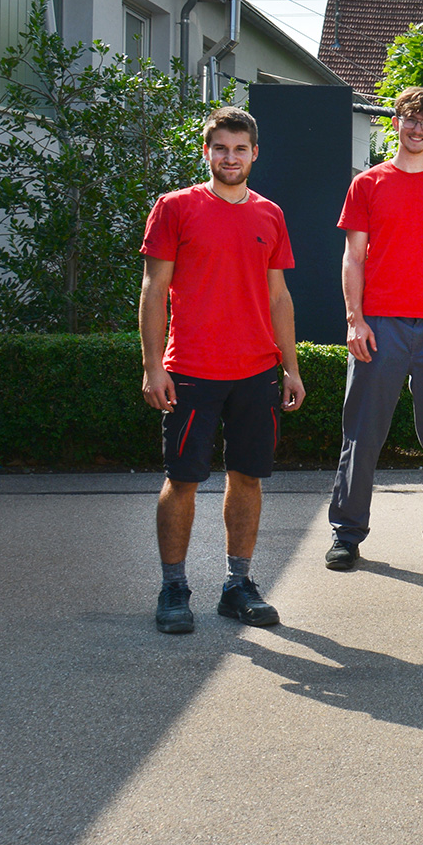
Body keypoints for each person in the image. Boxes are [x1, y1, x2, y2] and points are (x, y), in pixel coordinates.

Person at [140, 106, 306, 634]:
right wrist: (151, 365)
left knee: (248, 477)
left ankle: (238, 586)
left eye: (239, 149)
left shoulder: (269, 214)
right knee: (183, 479)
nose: (229, 158)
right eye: (220, 148)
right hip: (190, 369)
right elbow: (153, 290)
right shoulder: (174, 208)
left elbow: (280, 297)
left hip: (255, 372)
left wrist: (291, 368)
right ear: (206, 151)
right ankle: (174, 587)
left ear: (254, 154)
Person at [324, 87, 423, 572]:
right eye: (410, 119)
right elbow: (352, 257)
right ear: (396, 123)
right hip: (380, 326)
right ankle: (347, 534)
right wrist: (354, 320)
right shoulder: (368, 185)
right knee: (362, 434)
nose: (417, 128)